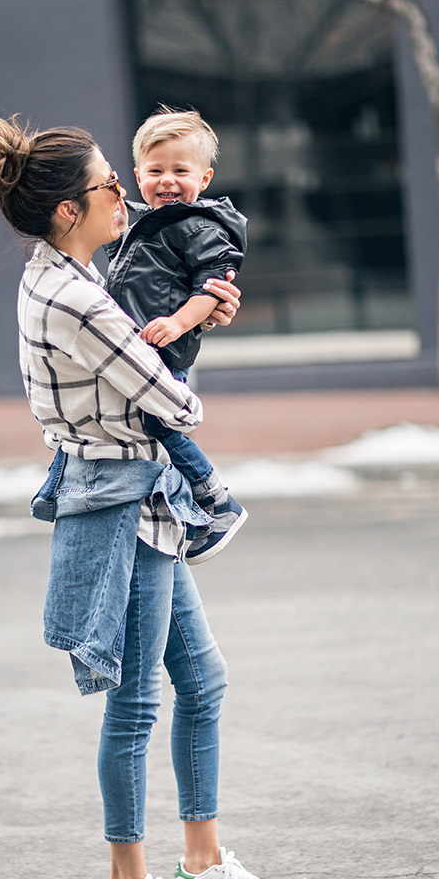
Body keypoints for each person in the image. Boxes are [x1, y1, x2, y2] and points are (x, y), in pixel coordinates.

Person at [0, 112, 293, 879]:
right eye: (111, 181)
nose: (122, 193)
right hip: (120, 504)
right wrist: (196, 325)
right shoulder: (76, 298)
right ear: (70, 210)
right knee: (135, 704)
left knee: (201, 684)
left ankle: (203, 864)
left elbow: (177, 258)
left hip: (149, 493)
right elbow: (177, 400)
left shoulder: (72, 268)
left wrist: (204, 299)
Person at [105, 106, 248, 565]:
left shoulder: (198, 227)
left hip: (166, 348)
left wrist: (180, 323)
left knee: (159, 423)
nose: (167, 181)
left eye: (180, 171)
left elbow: (214, 286)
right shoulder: (139, 220)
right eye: (155, 171)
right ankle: (187, 510)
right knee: (146, 428)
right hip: (141, 347)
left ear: (204, 179)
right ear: (137, 176)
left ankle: (216, 500)